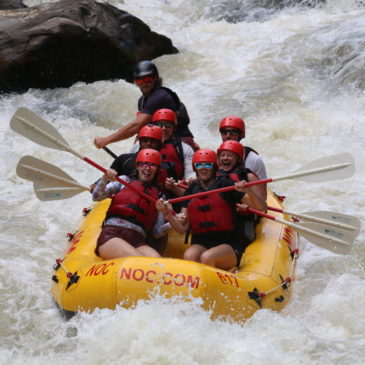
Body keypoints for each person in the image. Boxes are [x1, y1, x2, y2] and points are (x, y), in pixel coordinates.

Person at [157, 149, 267, 270]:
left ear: (214, 167)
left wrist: (248, 190)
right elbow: (182, 229)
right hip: (202, 242)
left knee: (207, 257)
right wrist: (167, 214)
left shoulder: (226, 185)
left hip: (228, 243)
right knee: (189, 255)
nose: (203, 168)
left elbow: (261, 207)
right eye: (199, 165)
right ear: (195, 168)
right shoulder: (191, 191)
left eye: (207, 165)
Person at [94, 60, 199, 151]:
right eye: (140, 80)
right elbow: (141, 130)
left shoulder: (160, 96)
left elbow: (136, 125)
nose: (144, 83)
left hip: (180, 146)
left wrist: (106, 140)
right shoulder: (142, 100)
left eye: (148, 79)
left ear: (156, 78)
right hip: (164, 143)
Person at [92, 149, 168, 260]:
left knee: (157, 264)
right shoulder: (124, 181)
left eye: (152, 165)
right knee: (141, 262)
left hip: (138, 242)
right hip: (112, 234)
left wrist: (172, 222)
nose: (147, 168)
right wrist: (105, 179)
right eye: (144, 164)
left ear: (157, 170)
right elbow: (96, 197)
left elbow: (157, 232)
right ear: (137, 166)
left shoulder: (159, 197)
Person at [217, 140, 267, 243]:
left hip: (242, 221)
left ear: (238, 159)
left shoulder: (249, 176)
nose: (225, 158)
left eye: (230, 155)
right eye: (223, 155)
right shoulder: (213, 175)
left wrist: (248, 193)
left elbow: (262, 207)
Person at [219, 116, 267, 181]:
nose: (228, 136)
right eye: (224, 132)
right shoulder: (218, 157)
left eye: (233, 132)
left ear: (241, 135)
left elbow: (262, 188)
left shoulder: (254, 159)